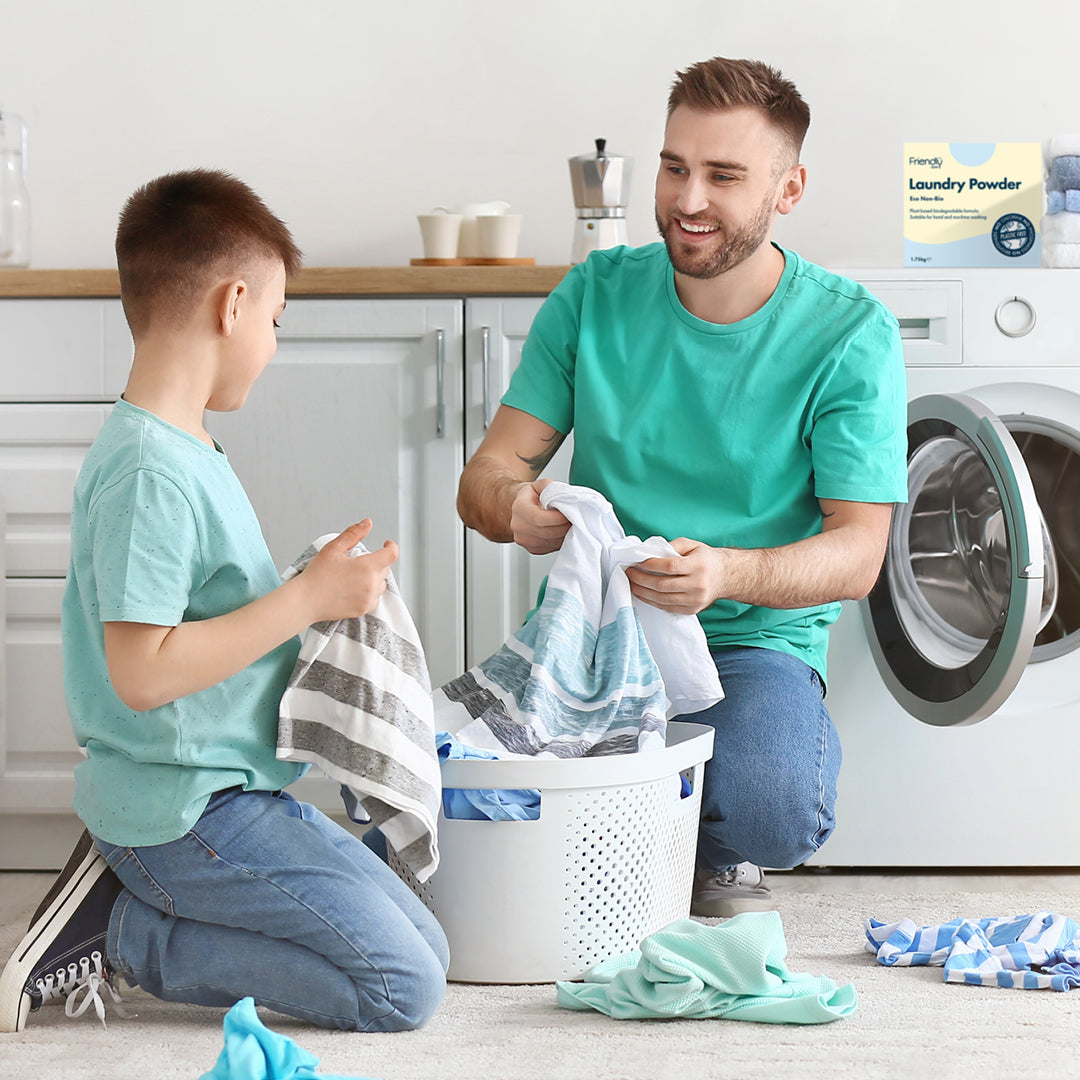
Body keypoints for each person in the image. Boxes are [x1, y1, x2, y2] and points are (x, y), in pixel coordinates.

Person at [456, 57, 908, 918]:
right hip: (596, 631)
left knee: (776, 809)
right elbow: (485, 476)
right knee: (478, 798)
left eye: (723, 176)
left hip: (750, 645)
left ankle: (682, 838)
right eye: (674, 167)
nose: (687, 199)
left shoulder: (849, 334)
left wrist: (726, 572)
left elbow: (859, 553)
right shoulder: (596, 295)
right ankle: (652, 830)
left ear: (788, 189)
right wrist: (517, 507)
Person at [0, 169, 448, 1033]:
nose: (273, 343)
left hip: (229, 791)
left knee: (426, 943)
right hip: (181, 810)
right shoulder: (149, 472)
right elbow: (142, 673)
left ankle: (130, 900)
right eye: (276, 320)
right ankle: (122, 933)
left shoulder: (186, 446)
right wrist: (306, 599)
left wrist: (314, 595)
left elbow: (203, 619)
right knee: (403, 990)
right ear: (233, 305)